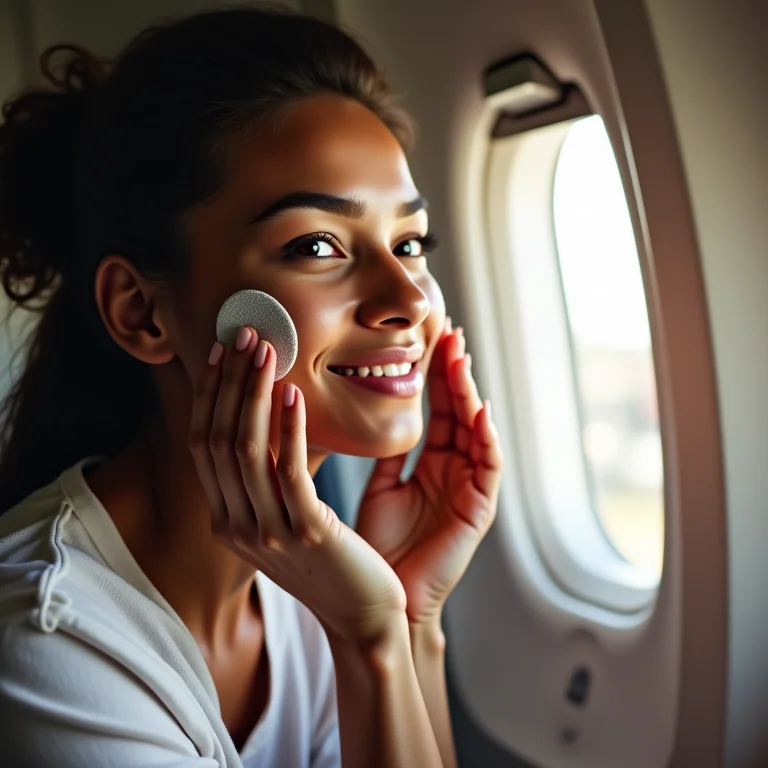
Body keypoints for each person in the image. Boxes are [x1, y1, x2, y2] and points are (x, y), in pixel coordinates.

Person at [0, 6, 502, 767]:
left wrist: (409, 617)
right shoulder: (46, 641)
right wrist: (368, 638)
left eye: (409, 243)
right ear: (141, 313)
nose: (409, 299)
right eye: (317, 245)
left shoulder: (321, 576)